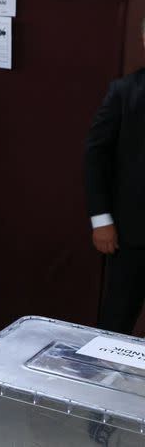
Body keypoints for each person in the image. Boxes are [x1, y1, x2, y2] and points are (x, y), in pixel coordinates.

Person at [84, 22, 145, 335]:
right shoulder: (124, 92)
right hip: (132, 234)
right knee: (117, 319)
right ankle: (100, 378)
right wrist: (101, 219)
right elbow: (96, 156)